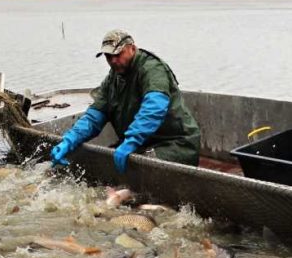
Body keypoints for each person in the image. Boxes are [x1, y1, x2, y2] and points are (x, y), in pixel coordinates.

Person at [50, 29, 201, 172]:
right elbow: (94, 117)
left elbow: (154, 108)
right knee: (101, 167)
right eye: (109, 57)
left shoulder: (152, 69)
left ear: (132, 48)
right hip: (142, 143)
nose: (113, 61)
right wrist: (70, 140)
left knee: (141, 170)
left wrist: (132, 140)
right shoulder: (113, 79)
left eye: (118, 54)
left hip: (175, 144)